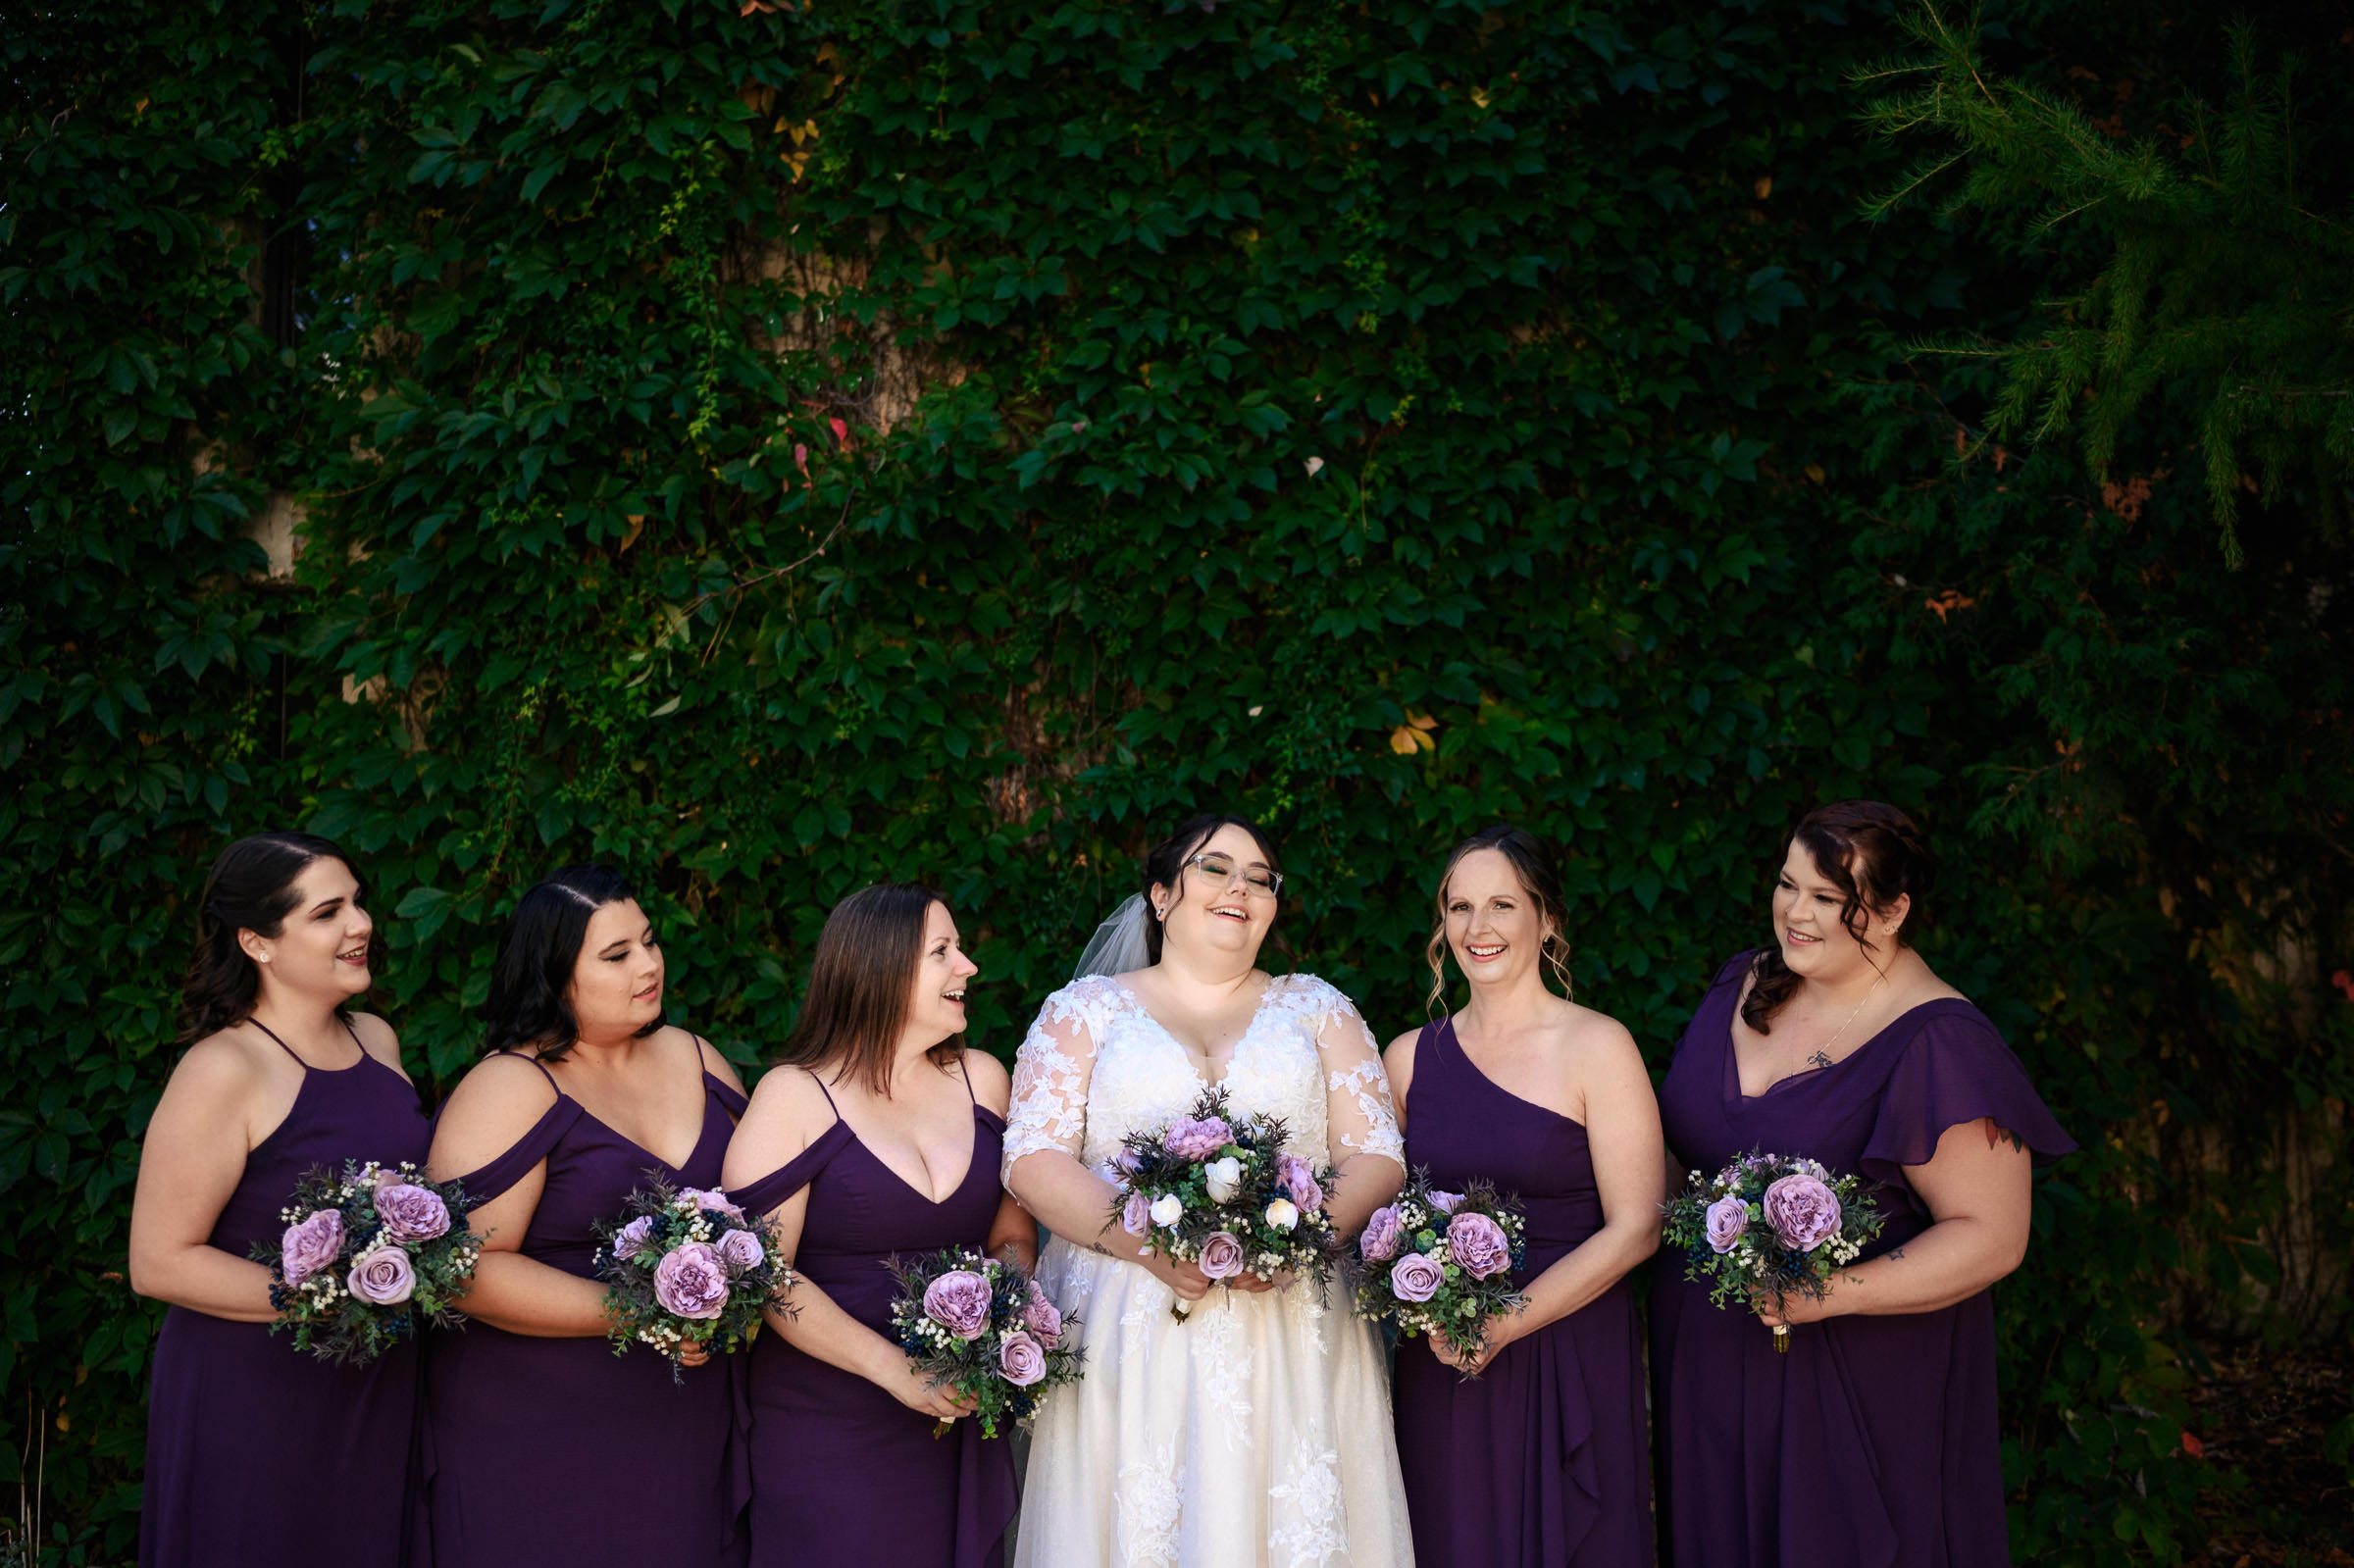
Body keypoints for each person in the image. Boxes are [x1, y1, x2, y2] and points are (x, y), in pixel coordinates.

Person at [1650, 800, 2075, 1567]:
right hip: (1710, 1362)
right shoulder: (1744, 982)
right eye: (1787, 885)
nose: (1795, 912)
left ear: (1892, 909)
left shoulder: (1940, 1039)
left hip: (1854, 1387)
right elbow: (1687, 1154)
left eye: (1825, 897)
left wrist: (1827, 1294)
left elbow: (1993, 1235)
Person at [1004, 813, 1413, 1567]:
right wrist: (1146, 1247)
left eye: (1260, 877)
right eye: (1217, 868)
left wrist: (1303, 1239)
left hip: (1292, 1320)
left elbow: (1377, 1155)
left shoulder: (1317, 1008)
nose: (1241, 887)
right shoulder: (1082, 1012)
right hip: (1129, 1323)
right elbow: (1032, 1160)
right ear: (1161, 895)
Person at [420, 865, 747, 1567]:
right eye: (617, 954)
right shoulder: (511, 1084)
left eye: (650, 942)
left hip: (684, 1420)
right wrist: (643, 1311)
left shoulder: (696, 1056)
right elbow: (462, 1269)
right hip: (541, 1429)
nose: (650, 964)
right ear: (555, 974)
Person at [130, 832, 429, 1568]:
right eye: (329, 911)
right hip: (254, 1395)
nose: (360, 923)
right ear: (258, 941)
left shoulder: (377, 1039)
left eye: (358, 902)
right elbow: (159, 1261)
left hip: (373, 1388)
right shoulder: (222, 1067)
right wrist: (335, 1296)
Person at [723, 884, 1030, 1568]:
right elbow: (764, 1271)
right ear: (881, 967)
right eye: (943, 952)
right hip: (829, 1423)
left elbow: (1012, 1233)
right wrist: (896, 1370)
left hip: (960, 1414)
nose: (969, 967)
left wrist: (1001, 1331)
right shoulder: (795, 1094)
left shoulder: (984, 1079)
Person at [1384, 825, 1663, 1567]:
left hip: (1568, 1338)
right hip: (1442, 1358)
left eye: (1503, 904)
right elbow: (1385, 1215)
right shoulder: (1409, 1057)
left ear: (1546, 918)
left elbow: (1637, 1226)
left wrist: (1505, 1321)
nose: (1479, 928)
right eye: (1460, 906)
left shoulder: (1599, 1046)